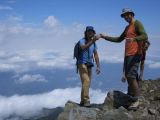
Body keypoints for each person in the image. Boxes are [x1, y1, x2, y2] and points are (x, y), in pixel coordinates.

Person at [100, 8, 148, 109]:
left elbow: (144, 35)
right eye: (124, 16)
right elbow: (118, 39)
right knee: (130, 76)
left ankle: (137, 99)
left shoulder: (137, 23)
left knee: (130, 76)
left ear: (131, 14)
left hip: (135, 54)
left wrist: (134, 38)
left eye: (127, 15)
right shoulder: (127, 27)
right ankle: (132, 96)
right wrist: (105, 37)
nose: (125, 17)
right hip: (128, 54)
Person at [78, 26, 101, 107]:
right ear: (86, 33)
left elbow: (96, 55)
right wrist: (93, 40)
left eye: (91, 31)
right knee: (87, 81)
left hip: (89, 65)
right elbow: (83, 48)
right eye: (89, 31)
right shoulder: (82, 41)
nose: (90, 33)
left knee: (86, 82)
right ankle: (86, 100)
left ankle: (82, 100)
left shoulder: (94, 43)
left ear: (93, 33)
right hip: (82, 64)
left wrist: (98, 66)